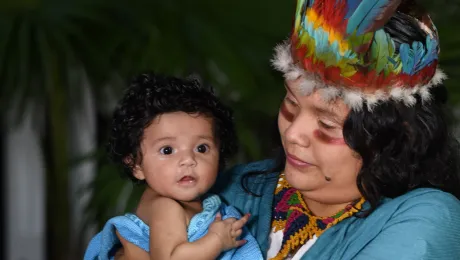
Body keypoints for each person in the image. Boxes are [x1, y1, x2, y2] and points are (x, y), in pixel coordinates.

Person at [115, 0, 460, 259]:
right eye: (290, 105)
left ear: (393, 135)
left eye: (326, 124)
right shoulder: (237, 186)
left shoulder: (428, 217)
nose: (293, 133)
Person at [84, 73, 263, 260]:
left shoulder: (191, 200)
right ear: (137, 165)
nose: (188, 160)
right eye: (167, 150)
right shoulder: (166, 206)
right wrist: (217, 240)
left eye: (202, 148)